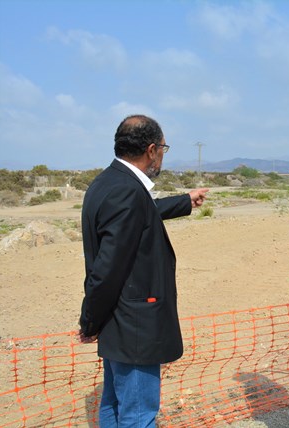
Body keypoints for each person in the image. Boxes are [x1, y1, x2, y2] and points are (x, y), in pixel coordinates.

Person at [78, 114, 208, 427]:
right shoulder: (127, 191)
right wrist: (89, 321)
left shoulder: (108, 182)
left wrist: (183, 202)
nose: (163, 155)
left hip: (118, 323)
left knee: (112, 405)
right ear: (151, 150)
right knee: (138, 416)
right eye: (163, 148)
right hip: (134, 326)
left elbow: (139, 213)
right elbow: (106, 270)